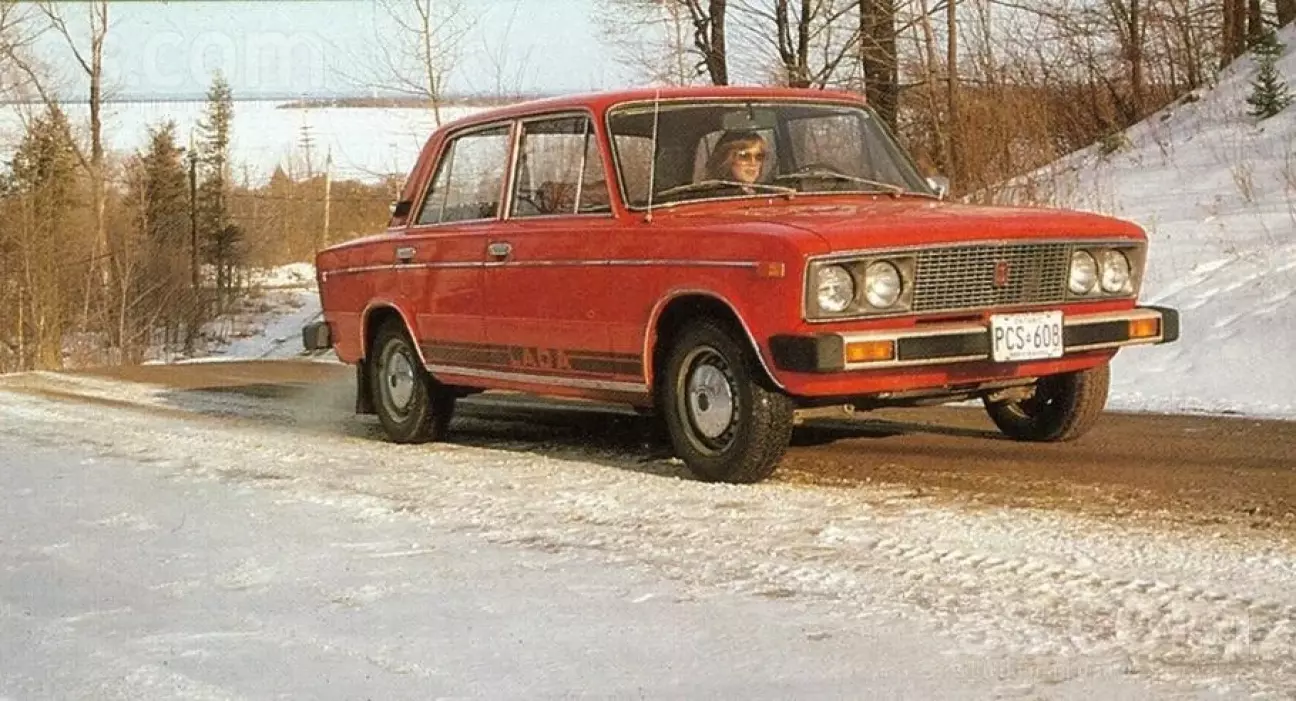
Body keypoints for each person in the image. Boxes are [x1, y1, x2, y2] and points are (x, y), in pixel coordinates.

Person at [703, 130, 769, 193]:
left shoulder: (768, 194)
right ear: (727, 160)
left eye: (759, 156)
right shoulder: (716, 196)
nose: (753, 163)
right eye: (744, 156)